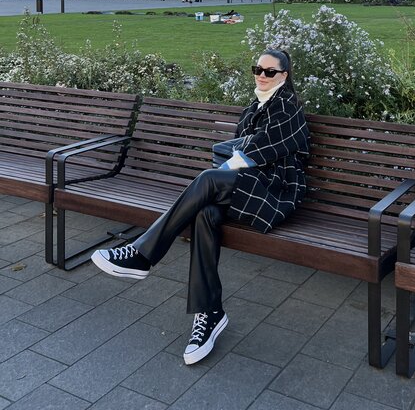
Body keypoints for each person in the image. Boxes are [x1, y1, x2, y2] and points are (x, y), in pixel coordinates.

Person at [91, 49, 310, 365]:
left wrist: (224, 172)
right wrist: (226, 172)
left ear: (284, 76)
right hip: (246, 188)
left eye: (270, 71)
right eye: (257, 69)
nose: (262, 75)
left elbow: (262, 149)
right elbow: (239, 151)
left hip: (274, 193)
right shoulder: (253, 109)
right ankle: (210, 314)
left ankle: (142, 254)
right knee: (205, 215)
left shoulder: (289, 108)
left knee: (208, 179)